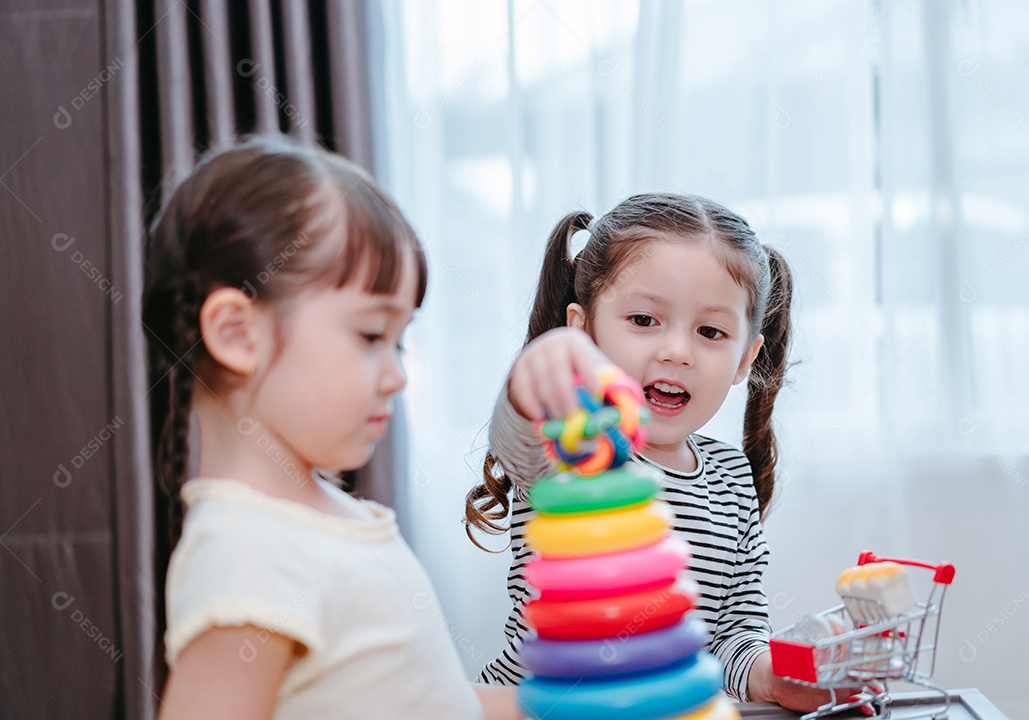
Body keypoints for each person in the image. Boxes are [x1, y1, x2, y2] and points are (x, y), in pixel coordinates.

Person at [143, 136, 519, 720]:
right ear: (237, 334)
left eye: (400, 341)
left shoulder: (331, 521)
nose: (397, 375)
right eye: (371, 336)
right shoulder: (249, 550)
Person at [465, 193, 853, 712]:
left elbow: (733, 636)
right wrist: (543, 369)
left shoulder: (732, 479)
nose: (677, 351)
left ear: (745, 358)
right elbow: (515, 437)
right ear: (583, 329)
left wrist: (774, 675)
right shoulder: (574, 447)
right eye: (644, 320)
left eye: (711, 331)